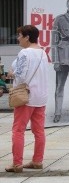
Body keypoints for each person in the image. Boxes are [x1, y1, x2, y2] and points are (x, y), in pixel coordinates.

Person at [5, 25, 50, 173]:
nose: (18, 38)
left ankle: (17, 163)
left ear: (27, 37)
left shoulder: (25, 53)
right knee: (39, 131)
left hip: (26, 97)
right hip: (40, 97)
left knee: (18, 130)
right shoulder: (43, 53)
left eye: (19, 35)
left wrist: (11, 74)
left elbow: (21, 74)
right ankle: (38, 160)